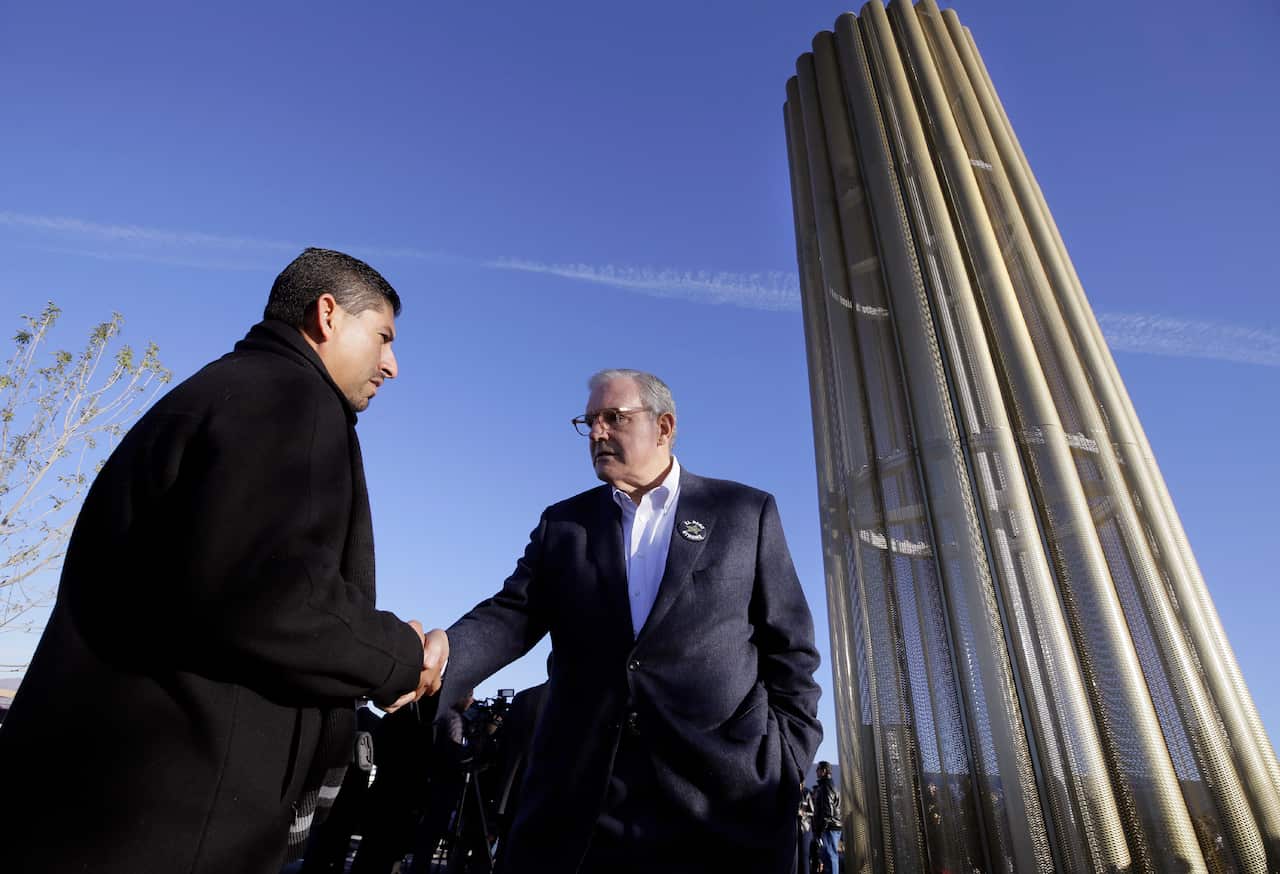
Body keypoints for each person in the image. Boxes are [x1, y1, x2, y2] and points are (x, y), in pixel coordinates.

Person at [0, 248, 449, 874]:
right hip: (176, 809)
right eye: (383, 337)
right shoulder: (294, 399)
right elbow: (275, 599)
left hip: (98, 796)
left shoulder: (214, 393)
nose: (392, 365)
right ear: (328, 315)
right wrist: (400, 656)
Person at [436, 369, 823, 874]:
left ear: (664, 427)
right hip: (586, 803)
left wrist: (787, 759)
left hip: (721, 800)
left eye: (613, 418)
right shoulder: (565, 524)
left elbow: (790, 649)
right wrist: (442, 653)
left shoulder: (744, 512)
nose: (597, 433)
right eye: (589, 421)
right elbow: (512, 614)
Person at [811, 761, 842, 874]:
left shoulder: (825, 787)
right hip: (832, 827)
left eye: (818, 769)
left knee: (830, 857)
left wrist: (820, 830)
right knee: (830, 857)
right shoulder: (831, 785)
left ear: (824, 771)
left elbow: (827, 812)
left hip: (829, 828)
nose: (816, 771)